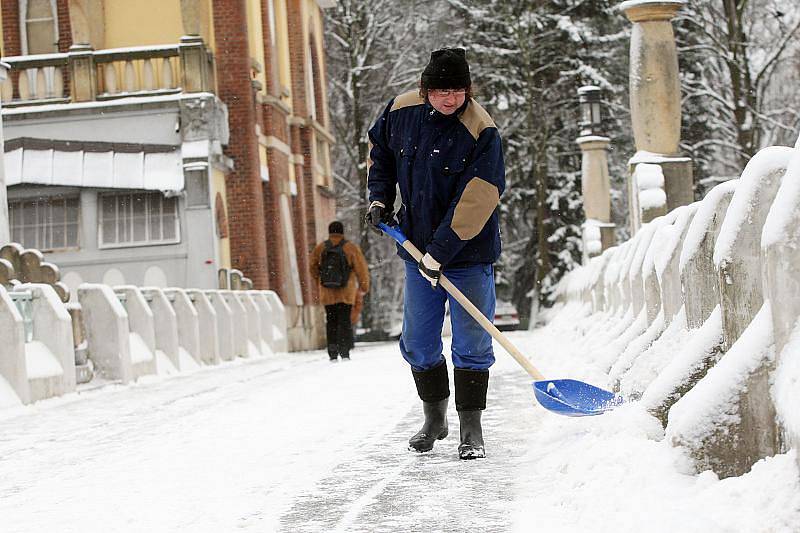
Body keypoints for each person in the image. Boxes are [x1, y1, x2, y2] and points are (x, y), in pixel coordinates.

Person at [365, 48, 505, 459]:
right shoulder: (400, 111)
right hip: (416, 250)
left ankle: (471, 428)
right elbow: (382, 156)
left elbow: (480, 198)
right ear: (425, 89)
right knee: (419, 341)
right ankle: (434, 417)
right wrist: (378, 199)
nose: (450, 100)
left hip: (468, 254)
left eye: (458, 91)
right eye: (442, 91)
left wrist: (441, 251)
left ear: (468, 90)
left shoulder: (482, 130)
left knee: (472, 343)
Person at [310, 221, 370, 361]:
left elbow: (312, 267)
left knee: (331, 321)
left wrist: (320, 280)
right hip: (346, 292)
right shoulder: (350, 248)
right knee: (344, 321)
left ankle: (332, 351)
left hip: (327, 292)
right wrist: (364, 287)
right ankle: (344, 351)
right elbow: (361, 268)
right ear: (342, 232)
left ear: (330, 231)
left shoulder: (321, 248)